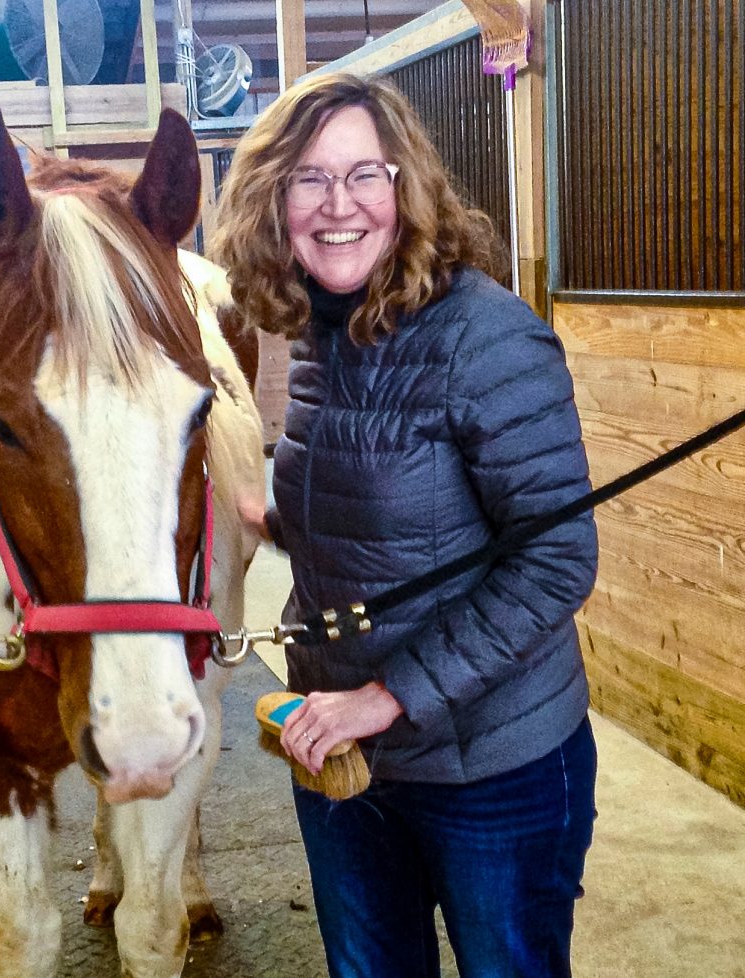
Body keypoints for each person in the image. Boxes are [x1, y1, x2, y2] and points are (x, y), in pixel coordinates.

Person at [210, 72, 599, 978]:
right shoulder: (318, 334)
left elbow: (555, 560)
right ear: (273, 200)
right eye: (308, 178)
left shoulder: (487, 338)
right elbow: (391, 514)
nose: (337, 205)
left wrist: (386, 698)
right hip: (343, 755)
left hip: (490, 769)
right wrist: (271, 520)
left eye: (364, 175)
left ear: (406, 188)